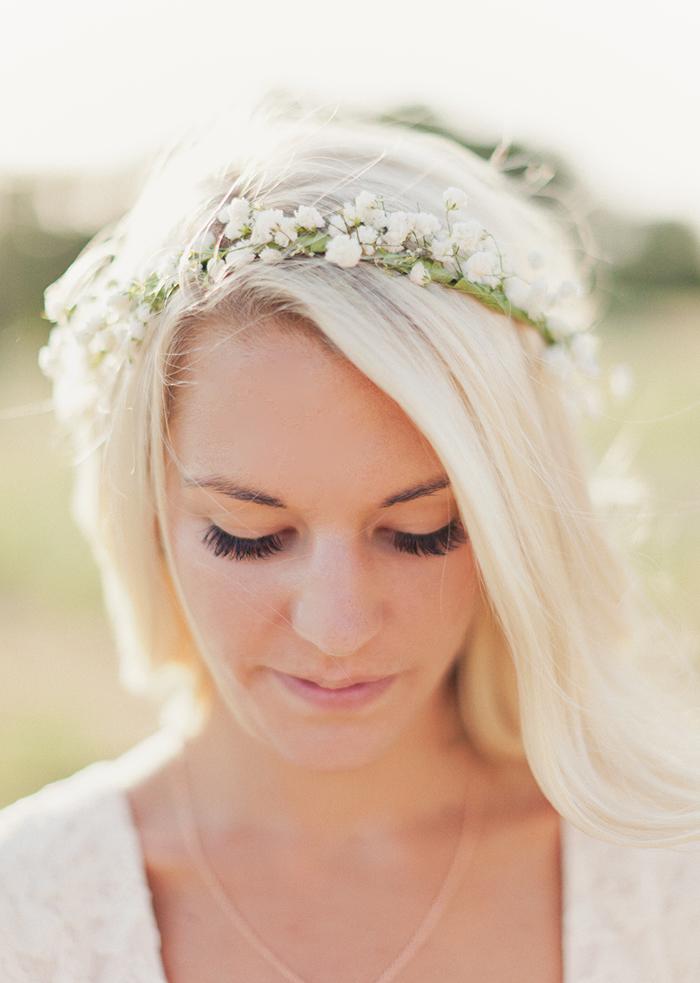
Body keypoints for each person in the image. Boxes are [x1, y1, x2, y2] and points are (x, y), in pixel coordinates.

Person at [1, 103, 698, 983]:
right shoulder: (28, 913)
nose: (338, 626)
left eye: (420, 532)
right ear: (146, 513)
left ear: (515, 523)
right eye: (249, 536)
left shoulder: (668, 874)